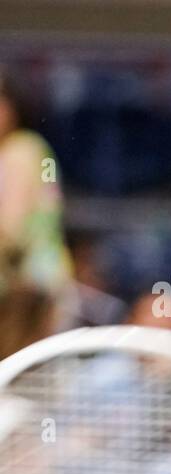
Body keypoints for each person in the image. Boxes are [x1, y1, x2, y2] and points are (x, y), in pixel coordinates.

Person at [0, 70, 71, 304]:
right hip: (46, 282)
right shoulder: (35, 147)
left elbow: (11, 232)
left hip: (30, 289)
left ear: (12, 108)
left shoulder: (19, 152)